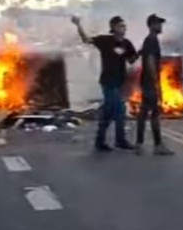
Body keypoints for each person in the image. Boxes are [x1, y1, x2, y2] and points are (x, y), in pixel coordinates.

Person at [71, 15, 138, 152]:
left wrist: (141, 53)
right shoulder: (105, 41)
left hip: (120, 81)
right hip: (108, 81)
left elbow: (131, 60)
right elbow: (86, 40)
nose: (124, 28)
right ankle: (120, 140)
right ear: (113, 28)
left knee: (108, 112)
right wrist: (78, 25)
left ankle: (100, 141)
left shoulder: (127, 43)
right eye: (120, 26)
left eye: (124, 26)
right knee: (119, 110)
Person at [136, 14, 174, 156]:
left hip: (146, 81)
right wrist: (156, 83)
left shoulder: (149, 40)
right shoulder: (152, 40)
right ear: (152, 25)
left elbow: (144, 56)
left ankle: (139, 144)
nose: (160, 26)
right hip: (149, 82)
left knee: (144, 112)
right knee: (155, 113)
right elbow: (151, 61)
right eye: (158, 24)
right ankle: (158, 145)